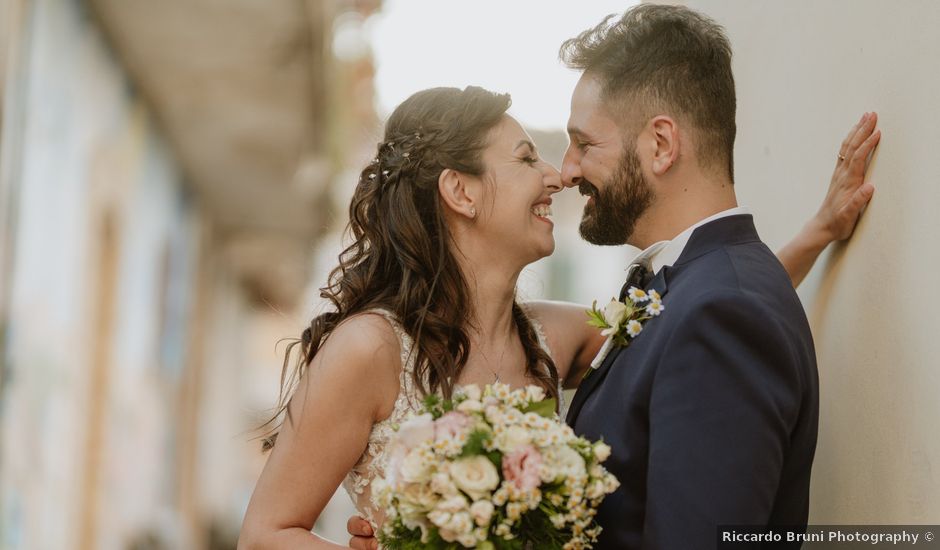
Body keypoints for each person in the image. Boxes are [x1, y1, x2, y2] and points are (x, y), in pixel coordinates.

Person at [240, 74, 878, 548]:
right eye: (524, 160)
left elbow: (698, 316)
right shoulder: (369, 351)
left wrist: (814, 234)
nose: (556, 176)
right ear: (460, 191)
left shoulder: (554, 336)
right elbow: (266, 532)